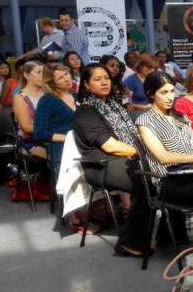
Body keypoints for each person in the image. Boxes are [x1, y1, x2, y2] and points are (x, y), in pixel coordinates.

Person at [136, 71, 193, 251]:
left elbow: (192, 147)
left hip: (191, 175)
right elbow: (163, 157)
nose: (170, 97)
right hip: (168, 181)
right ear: (151, 93)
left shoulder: (181, 118)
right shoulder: (145, 120)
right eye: (163, 92)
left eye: (171, 91)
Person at [73, 64, 140, 255]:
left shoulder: (113, 106)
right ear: (86, 85)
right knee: (148, 178)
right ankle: (131, 242)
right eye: (97, 79)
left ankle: (167, 232)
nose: (104, 82)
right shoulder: (86, 111)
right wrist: (144, 152)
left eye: (106, 78)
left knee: (163, 173)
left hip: (121, 159)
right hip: (100, 165)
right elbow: (110, 146)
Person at [33, 64, 76, 170]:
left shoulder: (77, 96)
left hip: (83, 146)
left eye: (66, 74)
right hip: (62, 150)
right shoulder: (47, 100)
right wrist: (69, 138)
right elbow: (39, 133)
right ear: (52, 83)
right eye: (60, 78)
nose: (66, 79)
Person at [13, 61, 47, 159]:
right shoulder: (20, 97)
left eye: (44, 72)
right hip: (31, 142)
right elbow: (27, 127)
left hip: (49, 137)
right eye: (38, 72)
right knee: (60, 156)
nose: (43, 75)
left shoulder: (48, 94)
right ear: (26, 75)